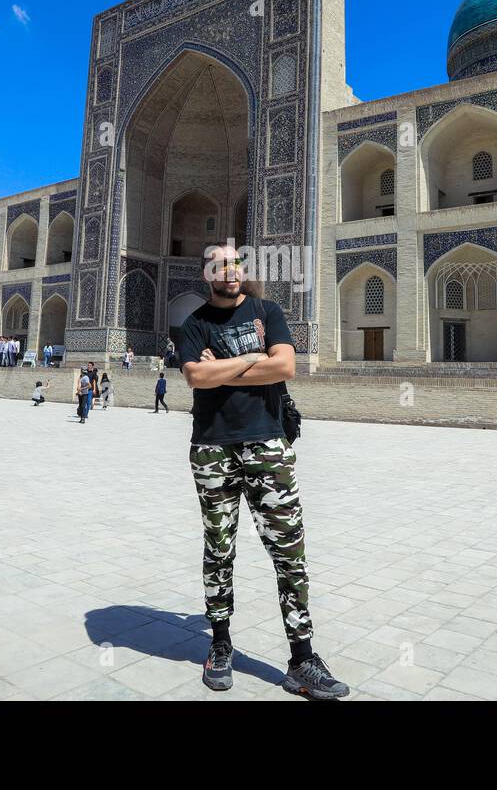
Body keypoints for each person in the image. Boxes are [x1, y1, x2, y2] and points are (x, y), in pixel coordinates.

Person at [178, 242, 347, 699]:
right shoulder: (193, 324)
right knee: (219, 547)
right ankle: (219, 644)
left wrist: (228, 366)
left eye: (235, 263)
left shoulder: (266, 310)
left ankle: (302, 658)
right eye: (219, 265)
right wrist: (256, 361)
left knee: (289, 552)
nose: (229, 272)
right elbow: (195, 378)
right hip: (212, 448)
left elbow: (286, 366)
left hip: (267, 444)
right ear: (206, 273)